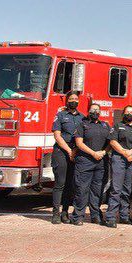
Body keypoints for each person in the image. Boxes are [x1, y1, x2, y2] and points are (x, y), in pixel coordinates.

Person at [70, 103, 110, 225]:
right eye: (93, 109)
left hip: (101, 162)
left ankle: (96, 216)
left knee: (97, 191)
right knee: (81, 190)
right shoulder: (82, 124)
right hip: (85, 162)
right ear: (88, 111)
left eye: (97, 110)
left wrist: (104, 152)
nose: (95, 112)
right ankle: (78, 217)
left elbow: (111, 142)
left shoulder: (105, 125)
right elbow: (79, 143)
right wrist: (93, 153)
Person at [104, 105, 132, 227]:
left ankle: (124, 216)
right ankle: (110, 217)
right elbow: (113, 141)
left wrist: (130, 152)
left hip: (131, 159)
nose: (129, 114)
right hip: (119, 158)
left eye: (131, 112)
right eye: (127, 112)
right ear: (123, 114)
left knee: (127, 189)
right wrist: (125, 152)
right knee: (116, 189)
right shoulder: (117, 126)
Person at [50, 92, 83, 224]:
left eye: (75, 99)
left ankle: (65, 213)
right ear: (67, 101)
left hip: (76, 151)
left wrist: (75, 150)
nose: (73, 101)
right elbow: (57, 136)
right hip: (61, 151)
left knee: (70, 185)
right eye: (71, 99)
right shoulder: (60, 115)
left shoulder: (82, 118)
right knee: (60, 183)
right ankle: (55, 213)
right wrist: (69, 150)